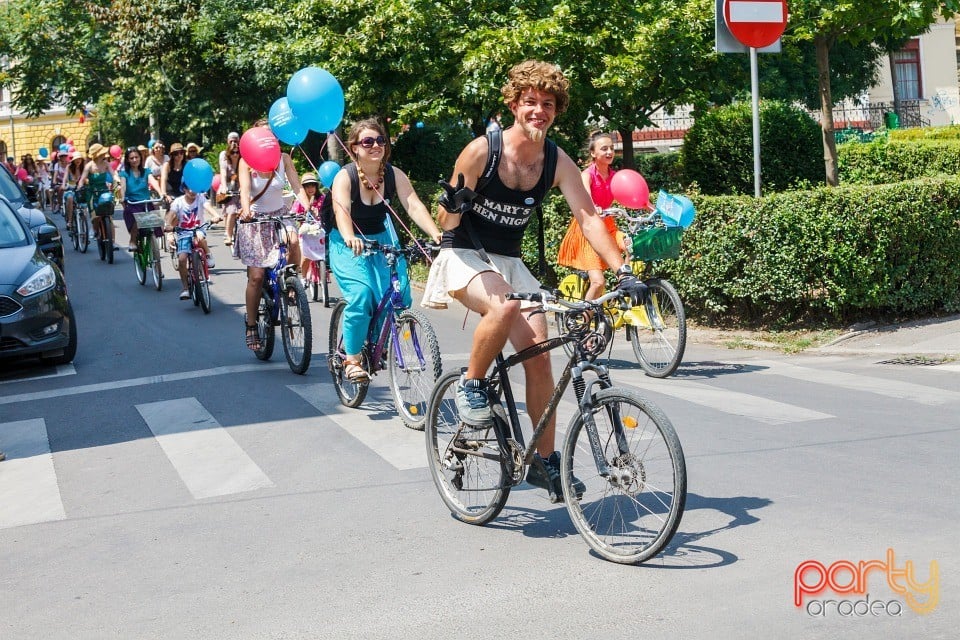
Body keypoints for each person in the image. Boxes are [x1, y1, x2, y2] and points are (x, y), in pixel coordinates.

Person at [421, 60, 641, 497]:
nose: (538, 111)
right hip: (464, 253)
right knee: (501, 304)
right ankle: (471, 386)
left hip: (510, 260)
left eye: (547, 104)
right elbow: (446, 220)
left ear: (556, 110)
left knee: (541, 358)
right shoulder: (482, 151)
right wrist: (454, 202)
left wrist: (624, 270)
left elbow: (589, 219)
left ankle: (543, 461)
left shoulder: (557, 161)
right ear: (514, 106)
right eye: (530, 103)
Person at [327, 118, 442, 381]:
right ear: (355, 147)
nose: (376, 145)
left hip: (380, 239)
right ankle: (352, 359)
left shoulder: (392, 174)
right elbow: (341, 210)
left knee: (400, 292)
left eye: (380, 140)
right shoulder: (345, 177)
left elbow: (412, 204)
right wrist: (349, 236)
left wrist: (435, 233)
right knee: (361, 294)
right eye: (368, 141)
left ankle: (380, 342)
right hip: (348, 242)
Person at [237, 121, 309, 351]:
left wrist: (306, 205)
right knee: (256, 277)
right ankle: (250, 325)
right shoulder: (246, 161)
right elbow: (245, 189)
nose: (268, 137)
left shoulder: (283, 158)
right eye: (263, 133)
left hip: (279, 214)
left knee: (294, 240)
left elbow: (296, 186)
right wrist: (246, 208)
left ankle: (290, 281)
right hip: (256, 219)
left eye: (271, 133)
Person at [556, 131, 625, 300]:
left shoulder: (615, 176)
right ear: (593, 153)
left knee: (632, 245)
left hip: (609, 226)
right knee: (598, 282)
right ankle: (584, 322)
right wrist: (595, 208)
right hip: (589, 229)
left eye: (611, 148)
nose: (609, 152)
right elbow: (585, 198)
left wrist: (648, 207)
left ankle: (624, 284)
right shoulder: (587, 175)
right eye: (604, 149)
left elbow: (630, 195)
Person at [164, 184, 218, 299]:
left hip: (198, 229)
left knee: (199, 237)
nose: (192, 191)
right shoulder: (178, 202)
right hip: (183, 233)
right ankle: (185, 288)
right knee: (182, 259)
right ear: (183, 189)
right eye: (189, 188)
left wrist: (216, 216)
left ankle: (208, 254)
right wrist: (168, 225)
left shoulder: (201, 198)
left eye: (194, 187)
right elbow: (171, 214)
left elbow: (208, 207)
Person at [117, 146, 163, 251]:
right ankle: (132, 240)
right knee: (137, 219)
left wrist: (161, 193)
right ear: (127, 160)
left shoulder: (146, 171)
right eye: (131, 158)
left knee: (156, 217)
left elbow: (153, 181)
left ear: (140, 158)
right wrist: (123, 196)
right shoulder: (124, 173)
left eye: (136, 157)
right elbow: (123, 186)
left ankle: (152, 244)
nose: (134, 160)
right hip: (133, 204)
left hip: (146, 203)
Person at [289, 171, 324, 280]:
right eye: (307, 186)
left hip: (320, 231)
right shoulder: (300, 201)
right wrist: (299, 216)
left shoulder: (322, 198)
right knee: (305, 258)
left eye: (313, 185)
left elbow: (328, 210)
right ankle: (303, 278)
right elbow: (293, 213)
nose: (310, 188)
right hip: (305, 232)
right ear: (303, 188)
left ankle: (323, 273)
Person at [77, 144, 115, 243]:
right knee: (95, 216)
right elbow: (82, 179)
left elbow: (114, 174)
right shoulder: (89, 166)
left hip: (104, 191)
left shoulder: (106, 163)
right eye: (102, 153)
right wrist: (80, 187)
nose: (104, 154)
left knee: (109, 218)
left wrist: (117, 181)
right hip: (92, 193)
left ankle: (113, 242)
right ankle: (95, 230)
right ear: (97, 155)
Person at [217, 134, 241, 246]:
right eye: (233, 153)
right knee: (231, 211)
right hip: (228, 188)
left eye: (237, 152)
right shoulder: (224, 156)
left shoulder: (242, 156)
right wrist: (224, 187)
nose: (235, 154)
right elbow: (223, 173)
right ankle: (228, 234)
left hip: (239, 187)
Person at [62, 152, 86, 234]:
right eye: (76, 159)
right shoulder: (69, 167)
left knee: (85, 203)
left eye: (79, 159)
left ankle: (84, 224)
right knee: (70, 198)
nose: (78, 160)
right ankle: (70, 221)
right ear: (73, 160)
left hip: (81, 189)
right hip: (70, 189)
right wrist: (63, 185)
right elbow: (65, 178)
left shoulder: (84, 168)